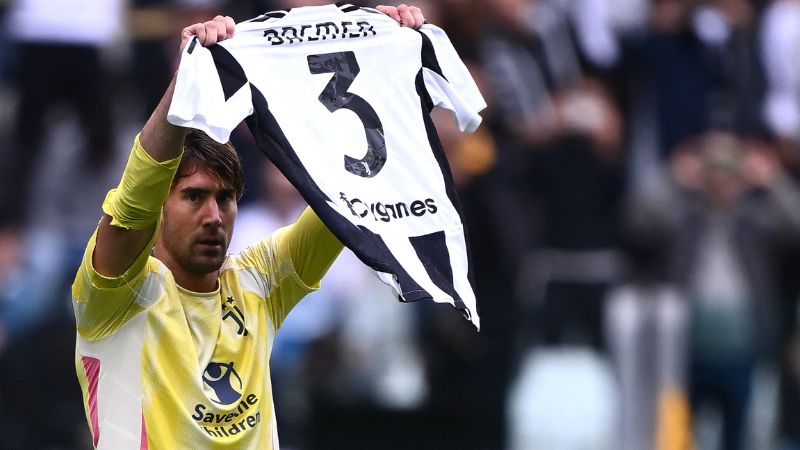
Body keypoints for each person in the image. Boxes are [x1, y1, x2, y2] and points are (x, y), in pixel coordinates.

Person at [70, 5, 425, 449]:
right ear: (159, 208)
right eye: (194, 197)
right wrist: (185, 87)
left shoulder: (255, 281)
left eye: (225, 198)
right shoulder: (117, 295)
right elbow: (129, 209)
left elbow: (349, 191)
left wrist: (382, 63)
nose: (214, 215)